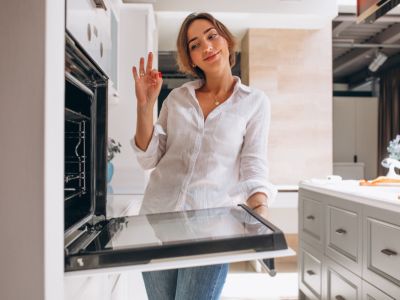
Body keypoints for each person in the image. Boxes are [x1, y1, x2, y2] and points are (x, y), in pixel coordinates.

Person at [131, 12, 277, 300]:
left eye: (212, 36)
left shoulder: (254, 102)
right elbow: (149, 158)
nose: (207, 47)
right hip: (158, 222)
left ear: (225, 40)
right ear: (191, 58)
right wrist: (144, 106)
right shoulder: (177, 99)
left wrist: (259, 210)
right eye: (195, 44)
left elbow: (253, 164)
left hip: (211, 230)